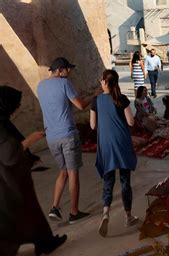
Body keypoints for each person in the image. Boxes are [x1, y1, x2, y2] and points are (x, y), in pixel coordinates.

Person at [0, 86, 67, 256]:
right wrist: (31, 140)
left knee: (21, 213)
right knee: (23, 212)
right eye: (15, 104)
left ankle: (43, 241)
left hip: (9, 181)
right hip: (8, 183)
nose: (18, 107)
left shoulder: (3, 121)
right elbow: (8, 155)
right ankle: (44, 242)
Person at [37, 57, 90, 224]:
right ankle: (74, 212)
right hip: (67, 134)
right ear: (60, 70)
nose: (69, 72)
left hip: (51, 137)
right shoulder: (64, 83)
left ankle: (55, 207)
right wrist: (94, 96)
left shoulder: (41, 86)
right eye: (67, 69)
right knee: (73, 173)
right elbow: (80, 105)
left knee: (63, 171)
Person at [90, 70, 139, 237]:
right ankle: (128, 216)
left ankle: (105, 212)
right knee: (125, 180)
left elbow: (92, 125)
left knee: (108, 180)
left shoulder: (95, 100)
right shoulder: (121, 98)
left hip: (106, 144)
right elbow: (131, 122)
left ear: (104, 82)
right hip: (122, 142)